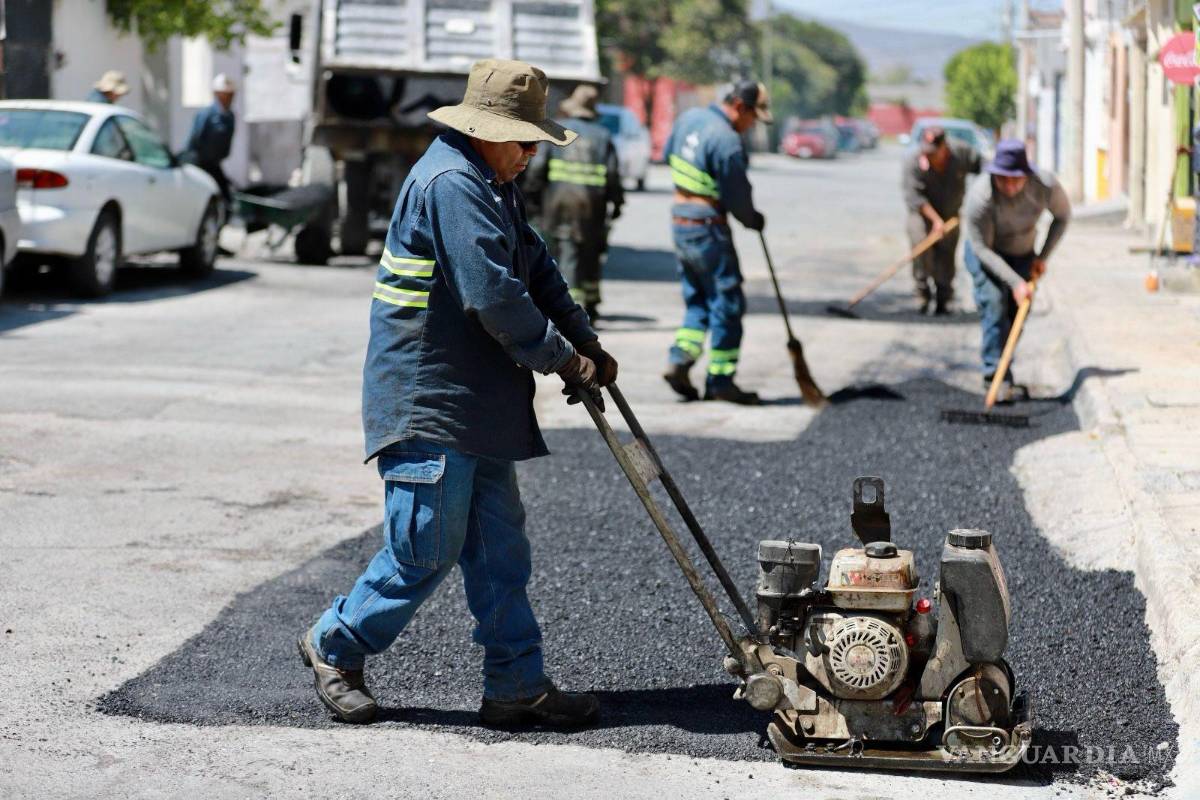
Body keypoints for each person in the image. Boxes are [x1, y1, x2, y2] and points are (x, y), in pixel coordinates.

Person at [298, 58, 618, 729]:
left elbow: (536, 267)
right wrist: (563, 360)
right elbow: (494, 295)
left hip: (480, 399)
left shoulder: (493, 181)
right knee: (424, 549)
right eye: (523, 140)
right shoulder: (451, 183)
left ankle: (516, 685)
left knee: (501, 554)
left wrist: (584, 339)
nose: (531, 153)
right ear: (484, 130)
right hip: (430, 398)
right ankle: (335, 643)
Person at [661, 81, 771, 405]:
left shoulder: (689, 119)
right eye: (753, 117)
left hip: (680, 221)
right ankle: (721, 381)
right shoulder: (727, 141)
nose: (752, 125)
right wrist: (753, 219)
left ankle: (680, 358)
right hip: (708, 227)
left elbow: (668, 155)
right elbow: (738, 199)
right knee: (727, 302)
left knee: (698, 298)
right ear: (739, 106)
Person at [962, 139, 1071, 400]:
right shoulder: (980, 197)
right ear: (994, 174)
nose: (1009, 186)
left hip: (1023, 254)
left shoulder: (1045, 186)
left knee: (1017, 312)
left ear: (1027, 174)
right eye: (1003, 179)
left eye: (1016, 179)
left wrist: (1042, 257)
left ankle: (1004, 368)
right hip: (986, 253)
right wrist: (1015, 283)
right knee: (994, 303)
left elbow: (1062, 217)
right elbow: (982, 248)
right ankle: (993, 376)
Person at [523, 84, 623, 322]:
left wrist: (530, 196)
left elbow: (537, 168)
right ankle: (587, 303)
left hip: (557, 204)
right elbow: (612, 175)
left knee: (566, 254)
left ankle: (572, 308)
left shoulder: (557, 131)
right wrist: (617, 203)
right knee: (589, 253)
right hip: (592, 208)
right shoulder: (603, 136)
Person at [902, 126, 981, 314]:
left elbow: (984, 166)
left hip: (950, 215)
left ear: (944, 146)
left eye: (933, 152)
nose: (928, 156)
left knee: (947, 253)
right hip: (922, 213)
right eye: (926, 151)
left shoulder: (961, 153)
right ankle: (922, 293)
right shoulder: (914, 161)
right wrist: (936, 221)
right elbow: (915, 197)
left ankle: (944, 298)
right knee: (921, 244)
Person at [183, 74, 237, 209]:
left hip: (214, 164)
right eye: (225, 94)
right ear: (217, 94)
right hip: (200, 164)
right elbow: (194, 139)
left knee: (226, 196)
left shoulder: (230, 116)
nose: (229, 98)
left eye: (231, 94)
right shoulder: (206, 114)